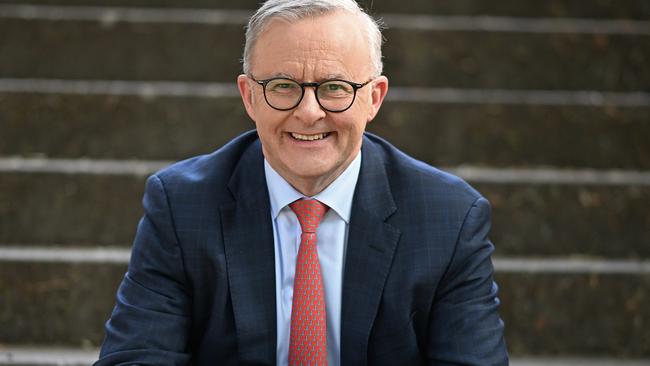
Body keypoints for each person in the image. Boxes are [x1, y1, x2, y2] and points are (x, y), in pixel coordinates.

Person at [95, 0, 508, 365]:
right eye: (282, 86)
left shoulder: (449, 217)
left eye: (334, 88)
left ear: (375, 98)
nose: (308, 112)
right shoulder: (181, 205)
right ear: (249, 96)